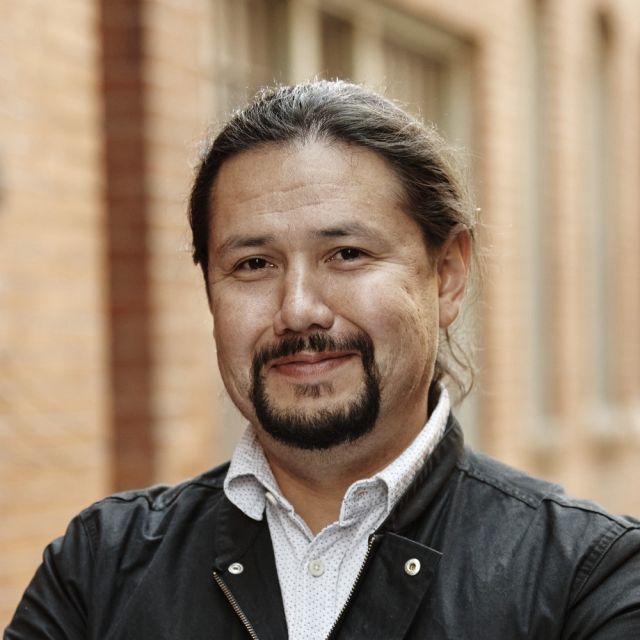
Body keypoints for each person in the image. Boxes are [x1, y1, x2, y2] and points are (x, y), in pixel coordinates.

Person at [5, 81, 640, 639]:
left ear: (446, 276)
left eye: (347, 254)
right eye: (253, 265)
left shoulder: (589, 579)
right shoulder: (99, 569)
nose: (300, 309)